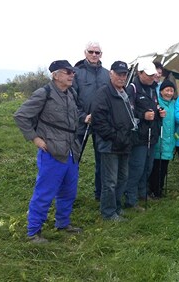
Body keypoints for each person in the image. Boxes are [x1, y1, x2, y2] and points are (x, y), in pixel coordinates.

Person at [14, 60, 82, 243]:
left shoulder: (71, 93)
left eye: (73, 72)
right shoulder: (44, 93)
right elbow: (21, 115)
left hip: (71, 150)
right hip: (52, 151)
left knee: (69, 191)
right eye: (68, 72)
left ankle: (63, 223)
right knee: (44, 192)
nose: (71, 75)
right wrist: (35, 138)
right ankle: (33, 232)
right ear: (56, 75)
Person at [91, 61, 135, 221]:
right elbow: (98, 120)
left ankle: (116, 206)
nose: (122, 77)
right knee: (109, 181)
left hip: (125, 143)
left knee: (123, 177)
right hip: (110, 144)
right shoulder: (103, 93)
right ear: (111, 74)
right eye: (118, 74)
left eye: (124, 74)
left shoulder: (125, 93)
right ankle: (108, 212)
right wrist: (115, 136)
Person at [72, 41, 110, 201]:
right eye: (91, 52)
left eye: (97, 52)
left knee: (102, 160)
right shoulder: (76, 73)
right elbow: (71, 99)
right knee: (74, 159)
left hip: (101, 124)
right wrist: (83, 116)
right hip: (81, 123)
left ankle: (100, 194)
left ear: (101, 54)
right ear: (85, 53)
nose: (94, 55)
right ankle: (69, 194)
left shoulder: (107, 73)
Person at [125, 62, 165, 207]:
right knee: (137, 167)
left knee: (148, 167)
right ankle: (131, 199)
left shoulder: (153, 89)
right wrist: (143, 115)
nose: (151, 77)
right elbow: (127, 111)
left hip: (151, 134)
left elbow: (154, 105)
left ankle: (142, 193)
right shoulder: (132, 88)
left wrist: (159, 111)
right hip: (138, 136)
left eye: (153, 74)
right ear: (139, 73)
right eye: (148, 75)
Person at [148, 80, 177, 198]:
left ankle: (159, 188)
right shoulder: (157, 103)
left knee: (164, 166)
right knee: (156, 166)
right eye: (167, 90)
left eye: (171, 90)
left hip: (170, 140)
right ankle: (153, 188)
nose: (169, 93)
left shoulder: (175, 104)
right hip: (159, 139)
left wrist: (176, 137)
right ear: (161, 91)